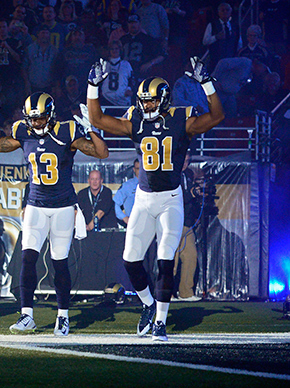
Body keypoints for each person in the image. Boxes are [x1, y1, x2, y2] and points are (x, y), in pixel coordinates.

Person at [85, 56, 225, 341]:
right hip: (144, 199)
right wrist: (92, 87)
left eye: (150, 101)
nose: (146, 106)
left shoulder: (180, 119)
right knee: (130, 261)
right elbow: (97, 119)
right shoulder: (136, 120)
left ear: (163, 99)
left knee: (164, 259)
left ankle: (160, 321)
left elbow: (217, 117)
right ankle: (149, 304)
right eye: (143, 101)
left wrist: (208, 84)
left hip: (170, 199)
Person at [0, 75, 109, 336]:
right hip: (35, 205)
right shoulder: (22, 131)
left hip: (62, 206)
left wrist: (91, 129)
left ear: (50, 115)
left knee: (59, 261)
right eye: (32, 118)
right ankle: (27, 315)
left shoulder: (66, 131)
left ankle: (62, 316)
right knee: (27, 260)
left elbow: (102, 152)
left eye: (39, 118)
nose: (35, 123)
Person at [173, 152, 200, 302]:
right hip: (173, 224)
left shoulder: (188, 175)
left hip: (187, 224)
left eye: (187, 161)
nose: (185, 164)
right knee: (172, 260)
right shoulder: (170, 175)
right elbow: (174, 198)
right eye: (183, 160)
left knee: (190, 256)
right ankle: (168, 293)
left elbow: (190, 199)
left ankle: (186, 292)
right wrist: (191, 194)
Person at [202, 2, 241, 70]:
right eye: (223, 10)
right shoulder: (212, 25)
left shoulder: (235, 26)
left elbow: (239, 43)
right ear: (219, 12)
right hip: (216, 61)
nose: (225, 12)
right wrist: (216, 37)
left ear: (230, 11)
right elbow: (205, 41)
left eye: (227, 10)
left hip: (231, 60)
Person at [113, 158, 140, 227]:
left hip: (150, 224)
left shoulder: (152, 185)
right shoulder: (127, 186)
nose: (140, 171)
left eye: (142, 169)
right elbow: (115, 204)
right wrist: (124, 218)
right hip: (133, 224)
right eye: (138, 169)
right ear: (134, 170)